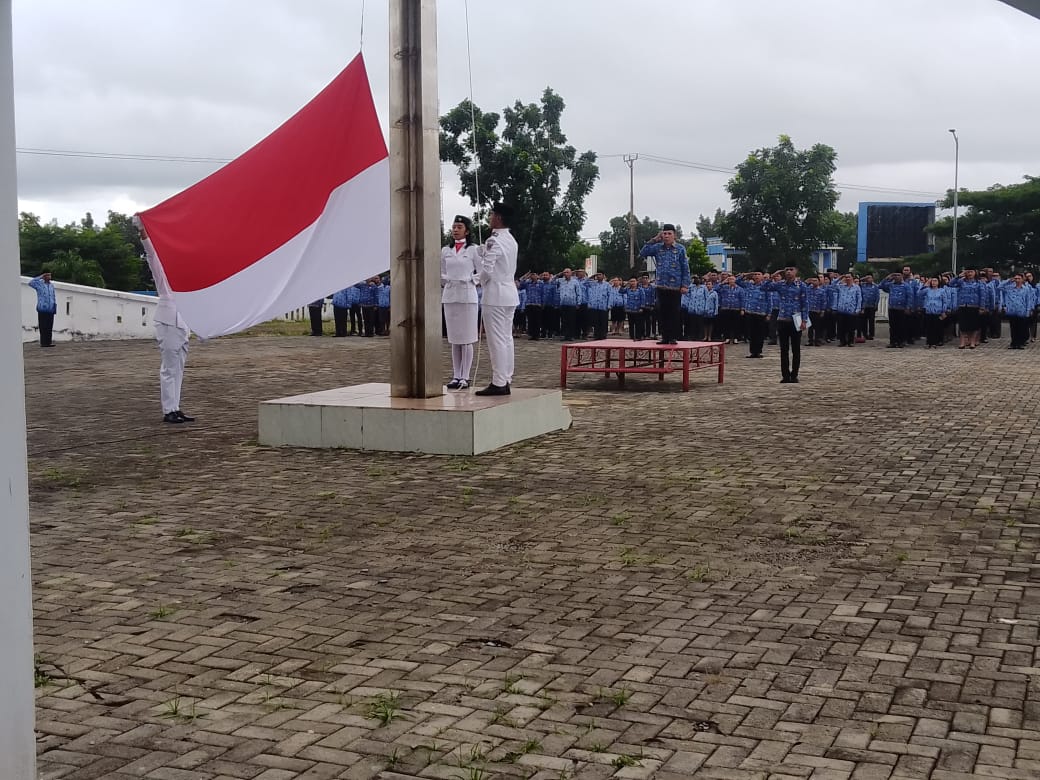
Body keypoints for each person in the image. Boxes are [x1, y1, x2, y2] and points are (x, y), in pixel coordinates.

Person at [137, 221, 195, 424]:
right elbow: (152, 256)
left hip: (182, 324)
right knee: (169, 368)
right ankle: (168, 409)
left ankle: (176, 407)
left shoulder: (182, 279)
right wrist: (144, 233)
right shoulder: (162, 276)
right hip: (168, 322)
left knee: (178, 369)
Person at [475, 203, 519, 396]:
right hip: (509, 293)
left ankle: (499, 381)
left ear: (499, 218)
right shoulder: (510, 239)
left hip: (495, 295)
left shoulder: (495, 240)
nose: (490, 217)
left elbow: (488, 270)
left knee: (497, 340)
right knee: (507, 339)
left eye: (492, 214)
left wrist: (475, 280)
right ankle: (506, 378)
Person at [440, 215, 481, 390]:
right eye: (454, 227)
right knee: (455, 338)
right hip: (450, 294)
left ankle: (465, 376)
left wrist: (471, 280)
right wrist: (446, 280)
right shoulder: (445, 250)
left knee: (467, 338)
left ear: (467, 230)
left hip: (467, 295)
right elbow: (440, 271)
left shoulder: (473, 249)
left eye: (459, 227)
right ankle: (456, 374)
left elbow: (482, 271)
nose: (455, 230)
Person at [639, 224, 691, 345]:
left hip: (675, 286)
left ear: (674, 235)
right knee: (662, 312)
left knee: (674, 312)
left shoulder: (680, 249)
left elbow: (685, 267)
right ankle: (665, 336)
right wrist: (654, 240)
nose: (666, 236)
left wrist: (685, 285)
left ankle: (673, 337)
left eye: (669, 234)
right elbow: (643, 252)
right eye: (664, 233)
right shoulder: (657, 248)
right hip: (661, 286)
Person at [761, 267, 809, 383]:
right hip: (782, 319)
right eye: (786, 270)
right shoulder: (780, 284)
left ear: (796, 271)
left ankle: (794, 375)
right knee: (784, 349)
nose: (788, 272)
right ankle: (785, 375)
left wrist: (804, 320)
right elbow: (764, 288)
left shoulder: (801, 285)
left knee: (796, 349)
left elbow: (805, 303)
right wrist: (772, 276)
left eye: (791, 270)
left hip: (796, 319)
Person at [1001, 273, 1034, 350]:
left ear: (1022, 279)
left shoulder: (1025, 289)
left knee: (1021, 327)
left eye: (1019, 278)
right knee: (1013, 328)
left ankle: (1020, 343)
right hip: (1012, 310)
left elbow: (1028, 300)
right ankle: (1013, 343)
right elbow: (1000, 287)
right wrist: (1009, 280)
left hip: (1022, 310)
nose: (1017, 280)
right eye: (1015, 278)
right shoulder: (1009, 288)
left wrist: (1028, 310)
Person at [28, 270, 58, 347]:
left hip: (50, 308)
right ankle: (43, 342)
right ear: (44, 276)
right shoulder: (39, 285)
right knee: (43, 326)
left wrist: (54, 307)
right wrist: (40, 276)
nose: (49, 277)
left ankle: (48, 342)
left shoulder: (51, 285)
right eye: (47, 275)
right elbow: (30, 283)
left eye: (50, 275)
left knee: (49, 326)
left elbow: (53, 296)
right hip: (42, 308)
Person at [834, 273, 862, 347]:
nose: (847, 278)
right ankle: (842, 341)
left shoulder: (856, 287)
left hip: (851, 310)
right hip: (841, 310)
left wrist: (858, 309)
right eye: (846, 277)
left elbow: (859, 299)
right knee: (841, 327)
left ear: (852, 278)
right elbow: (833, 284)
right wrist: (840, 277)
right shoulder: (841, 286)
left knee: (851, 327)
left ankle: (850, 341)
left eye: (849, 277)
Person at [920, 277, 948, 348]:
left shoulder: (942, 290)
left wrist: (944, 311)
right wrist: (926, 284)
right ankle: (929, 342)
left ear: (938, 282)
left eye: (935, 281)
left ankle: (936, 342)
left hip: (938, 311)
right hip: (929, 311)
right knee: (929, 327)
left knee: (937, 327)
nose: (933, 282)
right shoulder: (927, 290)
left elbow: (945, 301)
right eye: (932, 281)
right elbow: (919, 294)